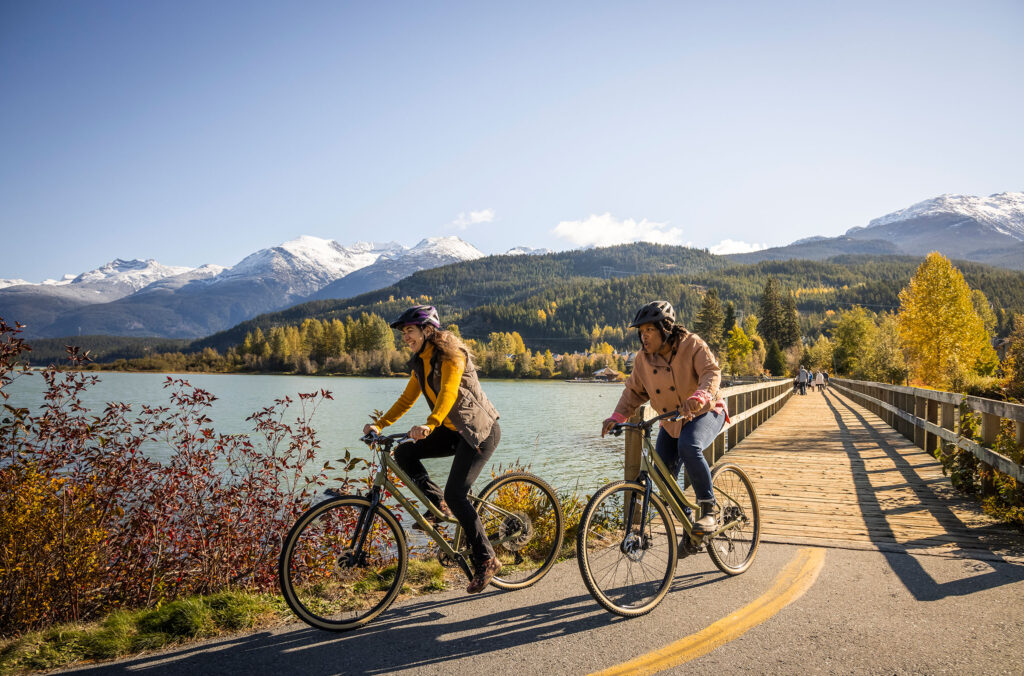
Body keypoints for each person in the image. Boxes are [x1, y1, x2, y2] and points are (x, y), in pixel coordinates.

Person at [365, 305, 503, 594]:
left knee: (457, 493)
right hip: (451, 432)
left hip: (479, 432)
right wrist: (378, 424)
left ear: (428, 330)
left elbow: (449, 392)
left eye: (410, 331)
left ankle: (487, 559)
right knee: (404, 452)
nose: (405, 337)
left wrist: (430, 424)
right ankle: (437, 504)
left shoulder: (452, 356)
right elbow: (406, 399)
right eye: (403, 333)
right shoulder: (421, 362)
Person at [601, 300, 729, 554]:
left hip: (707, 411)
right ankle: (691, 531)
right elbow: (633, 392)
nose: (643, 336)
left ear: (665, 328)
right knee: (662, 475)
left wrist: (700, 396)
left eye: (649, 330)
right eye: (641, 331)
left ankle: (708, 509)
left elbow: (711, 373)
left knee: (689, 445)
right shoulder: (643, 359)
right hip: (671, 421)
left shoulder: (691, 344)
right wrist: (617, 416)